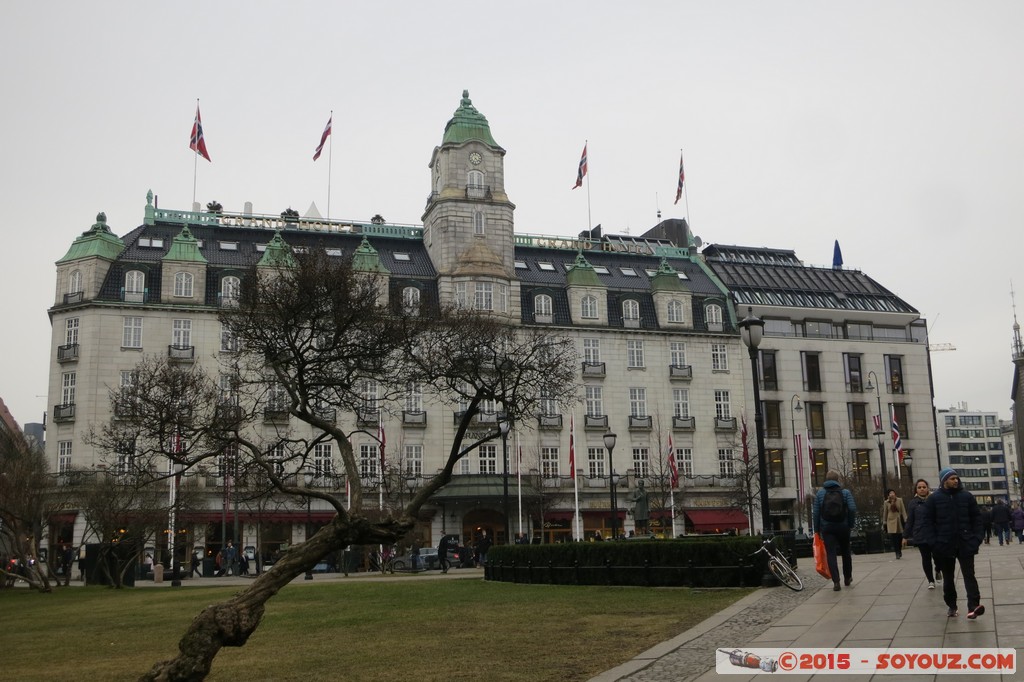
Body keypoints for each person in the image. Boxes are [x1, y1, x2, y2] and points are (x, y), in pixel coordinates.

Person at [921, 468, 985, 619]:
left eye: (956, 478)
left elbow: (977, 519)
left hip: (966, 543)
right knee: (948, 578)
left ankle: (973, 606)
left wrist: (976, 539)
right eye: (952, 478)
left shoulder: (967, 497)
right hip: (944, 545)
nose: (955, 481)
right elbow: (927, 523)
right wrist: (934, 543)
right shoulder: (934, 499)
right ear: (944, 481)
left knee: (969, 575)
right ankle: (952, 605)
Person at [812, 470, 857, 591]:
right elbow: (852, 508)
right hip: (843, 526)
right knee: (846, 551)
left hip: (827, 528)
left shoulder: (820, 494)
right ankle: (847, 577)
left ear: (826, 480)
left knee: (831, 553)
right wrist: (850, 523)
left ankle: (836, 581)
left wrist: (817, 529)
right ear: (838, 480)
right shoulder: (845, 492)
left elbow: (816, 513)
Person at [902, 478, 941, 589]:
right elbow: (910, 521)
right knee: (926, 558)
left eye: (924, 487)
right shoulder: (912, 503)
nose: (922, 489)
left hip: (934, 534)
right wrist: (905, 536)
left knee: (938, 556)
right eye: (919, 487)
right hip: (920, 534)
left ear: (927, 488)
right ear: (916, 489)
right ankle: (930, 580)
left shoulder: (933, 500)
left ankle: (938, 569)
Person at [880, 488, 908, 559]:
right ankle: (897, 552)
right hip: (891, 521)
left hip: (898, 521)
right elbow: (885, 513)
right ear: (888, 495)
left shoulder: (899, 500)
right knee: (894, 538)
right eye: (890, 493)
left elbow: (903, 510)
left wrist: (906, 519)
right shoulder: (886, 502)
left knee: (899, 537)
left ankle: (899, 549)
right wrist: (884, 522)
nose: (892, 494)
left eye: (893, 492)